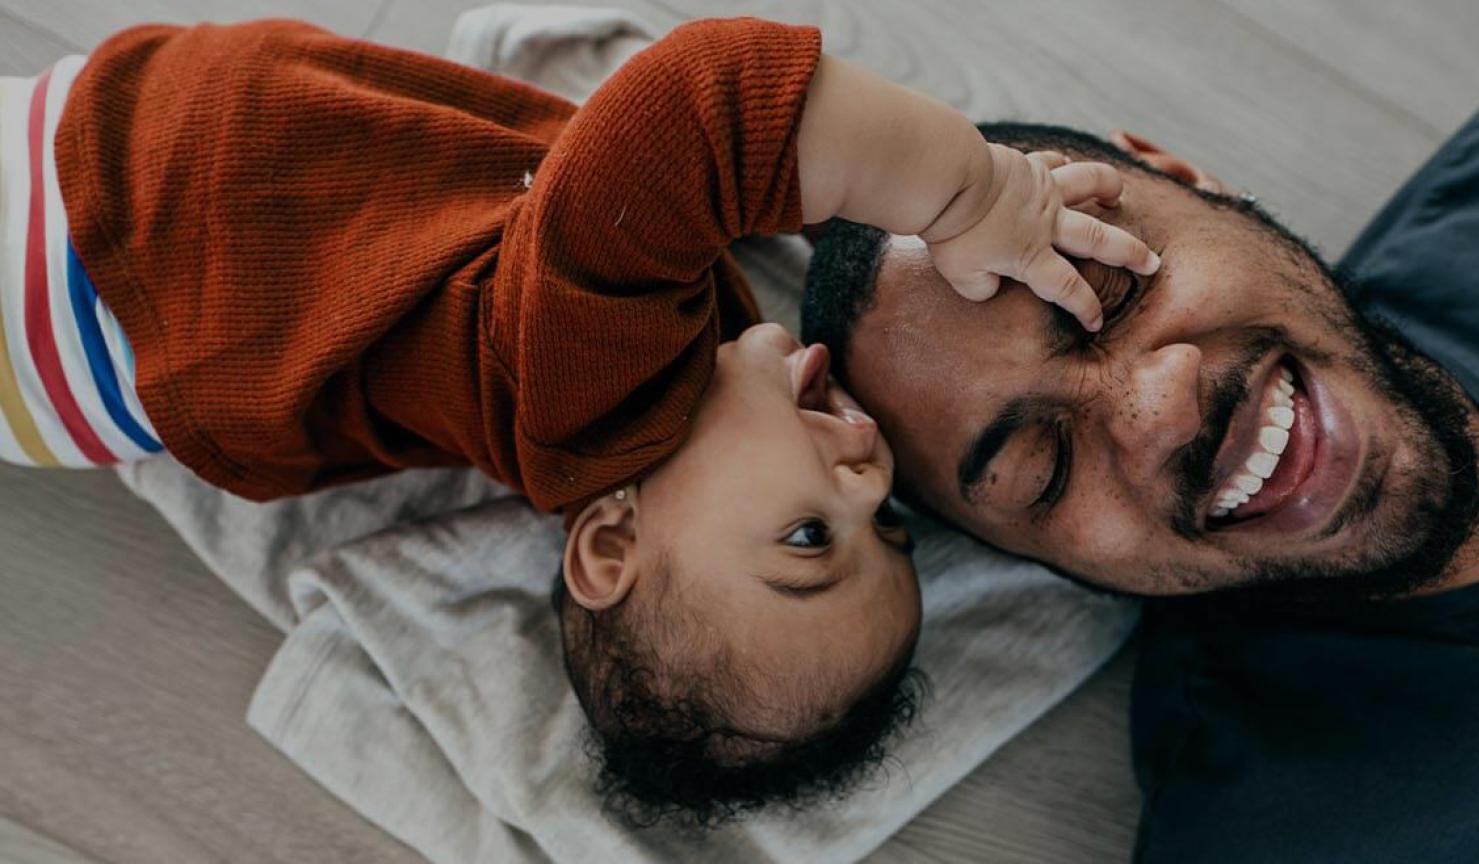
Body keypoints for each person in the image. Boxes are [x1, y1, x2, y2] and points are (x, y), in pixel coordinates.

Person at [0, 17, 1157, 823]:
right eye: (889, 531)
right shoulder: (621, 406)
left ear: (608, 542)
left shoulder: (603, 392)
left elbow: (709, 105)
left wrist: (975, 193)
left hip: (78, 265)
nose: (866, 479)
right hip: (88, 379)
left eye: (810, 540)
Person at [804, 63, 1479, 860]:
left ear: (1189, 178)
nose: (1158, 413)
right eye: (1043, 472)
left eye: (1105, 287)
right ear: (1039, 565)